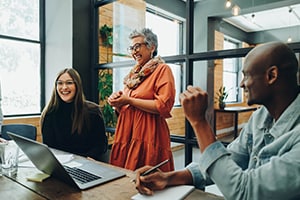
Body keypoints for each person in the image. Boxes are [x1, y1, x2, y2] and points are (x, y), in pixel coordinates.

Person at [134, 42, 300, 200]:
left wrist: (199, 122)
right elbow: (230, 159)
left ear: (272, 75)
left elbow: (245, 192)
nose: (242, 84)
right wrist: (168, 178)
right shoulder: (260, 116)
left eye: (246, 75)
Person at [108, 28, 175, 171]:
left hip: (149, 134)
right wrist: (117, 103)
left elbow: (163, 106)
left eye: (137, 46)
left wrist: (130, 101)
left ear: (152, 47)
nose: (134, 51)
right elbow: (126, 108)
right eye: (131, 48)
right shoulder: (133, 75)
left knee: (148, 179)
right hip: (127, 133)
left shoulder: (162, 70)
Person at [41, 68, 108, 161]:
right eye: (60, 83)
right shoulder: (49, 112)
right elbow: (49, 147)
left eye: (69, 83)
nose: (64, 87)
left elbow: (101, 145)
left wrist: (89, 158)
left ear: (77, 85)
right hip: (60, 164)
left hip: (87, 163)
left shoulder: (93, 111)